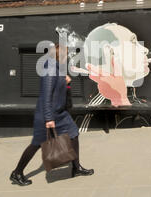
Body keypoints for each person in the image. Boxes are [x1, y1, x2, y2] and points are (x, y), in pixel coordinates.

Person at [10, 44, 94, 186]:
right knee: (36, 144)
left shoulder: (58, 69)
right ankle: (17, 172)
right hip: (47, 115)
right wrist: (48, 118)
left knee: (74, 134)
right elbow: (46, 95)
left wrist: (67, 83)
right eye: (65, 54)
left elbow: (60, 91)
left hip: (60, 113)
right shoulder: (50, 69)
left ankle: (76, 168)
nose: (67, 56)